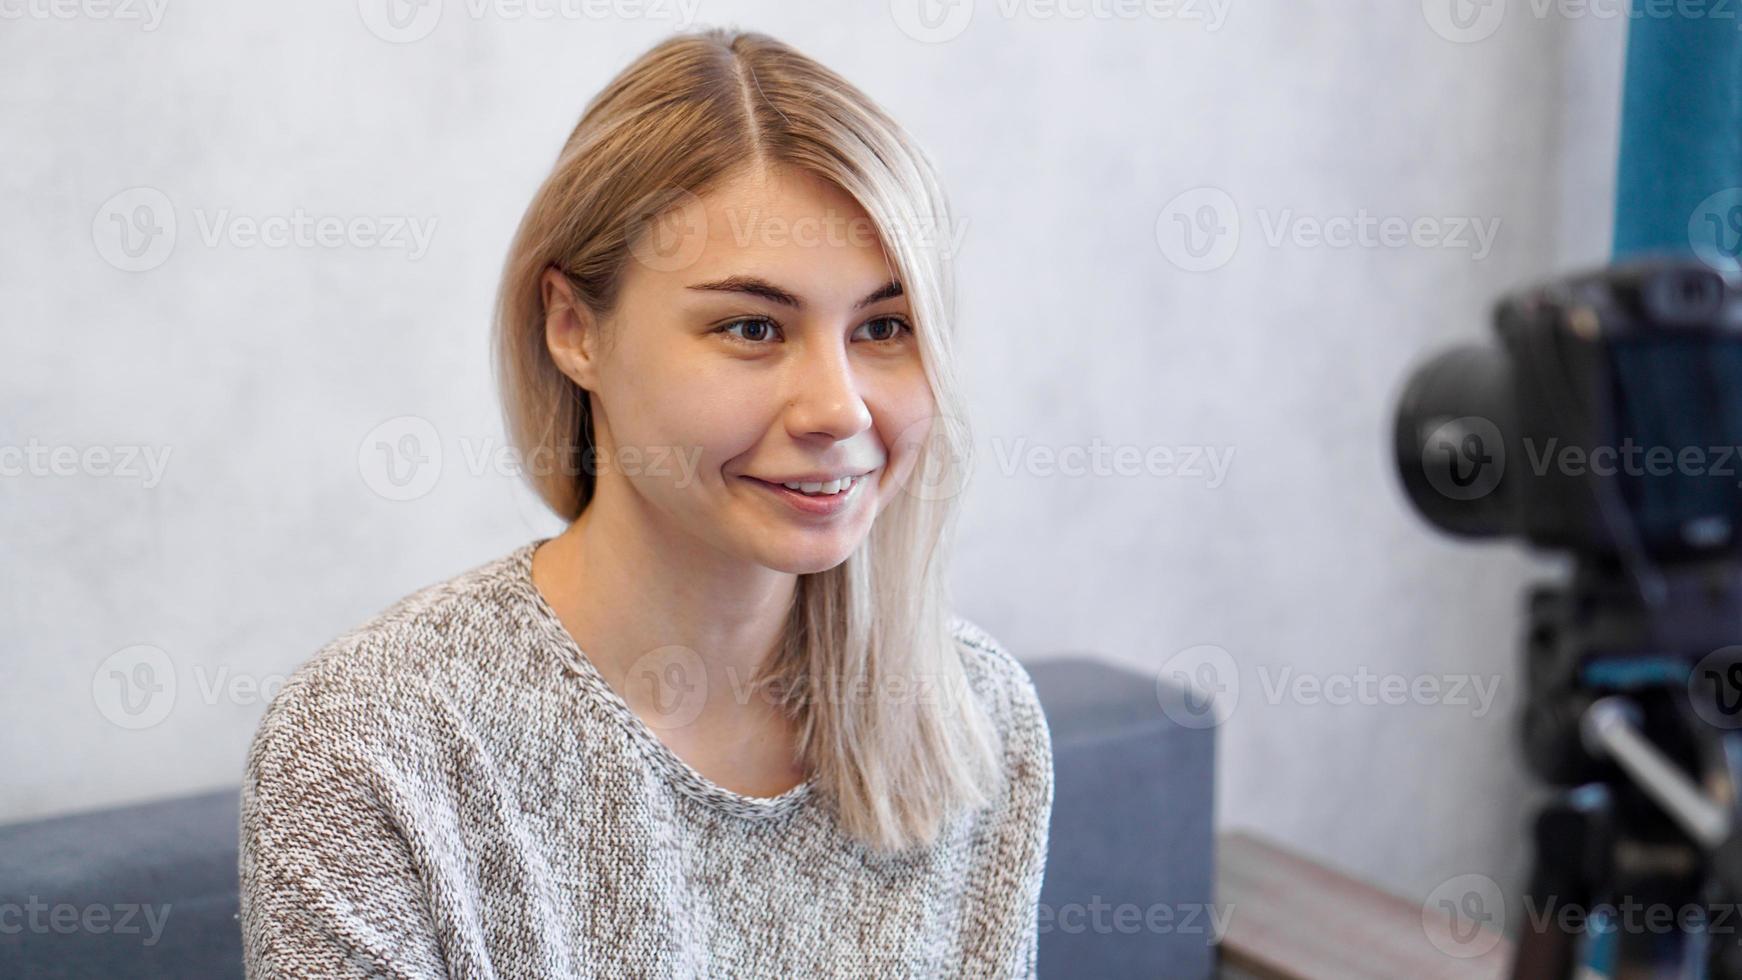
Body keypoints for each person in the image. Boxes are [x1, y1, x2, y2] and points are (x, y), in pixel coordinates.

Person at [239, 27, 1053, 979]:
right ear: (574, 328)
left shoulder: (975, 716)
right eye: (753, 327)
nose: (839, 408)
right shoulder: (371, 742)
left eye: (885, 326)